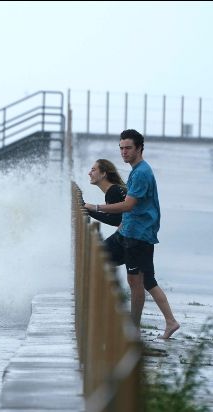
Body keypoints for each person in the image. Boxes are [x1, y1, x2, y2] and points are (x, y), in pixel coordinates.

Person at [85, 129, 180, 339]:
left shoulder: (142, 172)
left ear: (139, 148)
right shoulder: (136, 171)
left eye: (128, 148)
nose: (124, 152)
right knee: (108, 265)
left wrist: (95, 207)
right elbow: (131, 209)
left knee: (139, 282)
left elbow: (128, 205)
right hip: (129, 231)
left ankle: (137, 327)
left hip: (138, 235)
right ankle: (164, 322)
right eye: (121, 148)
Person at [82, 158, 127, 266]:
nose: (89, 173)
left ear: (103, 174)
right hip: (135, 234)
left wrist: (90, 211)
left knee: (96, 257)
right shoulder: (114, 189)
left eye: (93, 170)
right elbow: (115, 216)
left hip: (130, 236)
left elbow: (115, 219)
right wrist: (89, 209)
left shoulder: (113, 191)